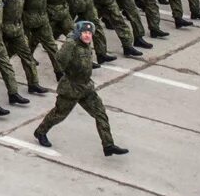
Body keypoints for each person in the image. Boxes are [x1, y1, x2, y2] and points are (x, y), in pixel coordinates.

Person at [34, 22, 129, 156]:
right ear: (79, 33)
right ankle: (40, 132)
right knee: (58, 115)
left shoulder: (86, 45)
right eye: (84, 33)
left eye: (90, 33)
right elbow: (60, 61)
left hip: (86, 87)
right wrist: (69, 44)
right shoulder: (71, 45)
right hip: (71, 88)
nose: (87, 35)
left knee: (100, 114)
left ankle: (108, 145)